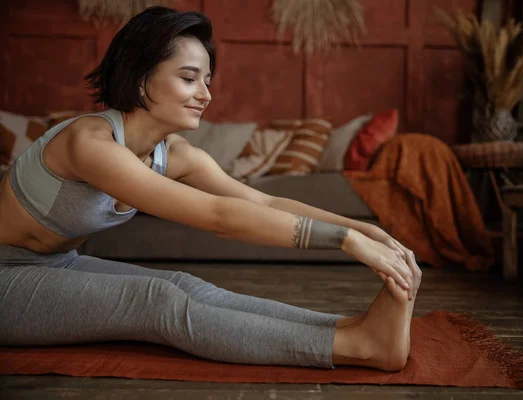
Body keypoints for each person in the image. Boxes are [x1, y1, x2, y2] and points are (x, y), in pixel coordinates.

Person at [0, 6, 421, 371]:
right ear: (143, 81)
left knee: (186, 285)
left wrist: (368, 232)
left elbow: (264, 200)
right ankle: (357, 348)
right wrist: (344, 241)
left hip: (56, 264)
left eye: (207, 79)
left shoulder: (176, 155)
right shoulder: (90, 144)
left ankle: (351, 329)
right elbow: (219, 217)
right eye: (189, 78)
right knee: (156, 300)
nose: (206, 94)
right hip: (6, 276)